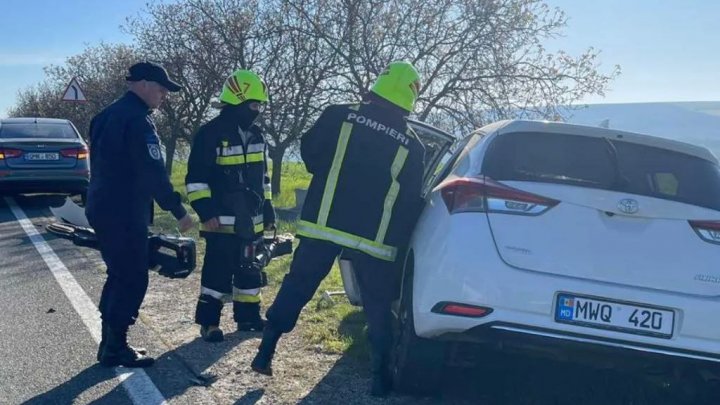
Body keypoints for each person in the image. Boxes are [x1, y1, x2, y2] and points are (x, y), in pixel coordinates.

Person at [251, 61, 425, 397]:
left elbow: (311, 155)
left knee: (298, 285)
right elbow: (409, 200)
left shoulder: (338, 114)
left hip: (324, 224)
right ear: (410, 97)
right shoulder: (412, 144)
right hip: (375, 239)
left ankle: (266, 350)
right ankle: (380, 378)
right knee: (377, 304)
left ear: (379, 84)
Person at [86, 61, 195, 368]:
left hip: (102, 205)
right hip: (124, 210)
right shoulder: (137, 121)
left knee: (118, 273)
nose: (164, 96)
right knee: (133, 278)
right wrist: (177, 210)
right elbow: (152, 172)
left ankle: (110, 343)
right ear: (143, 84)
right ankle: (115, 347)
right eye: (161, 89)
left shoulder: (104, 115)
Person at [185, 69, 276, 342]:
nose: (257, 111)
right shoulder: (210, 134)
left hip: (254, 220)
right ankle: (209, 323)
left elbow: (264, 178)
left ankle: (248, 318)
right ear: (237, 102)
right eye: (253, 105)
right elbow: (196, 179)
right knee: (217, 274)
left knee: (251, 270)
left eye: (260, 105)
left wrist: (269, 208)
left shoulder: (258, 136)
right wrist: (206, 211)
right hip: (221, 222)